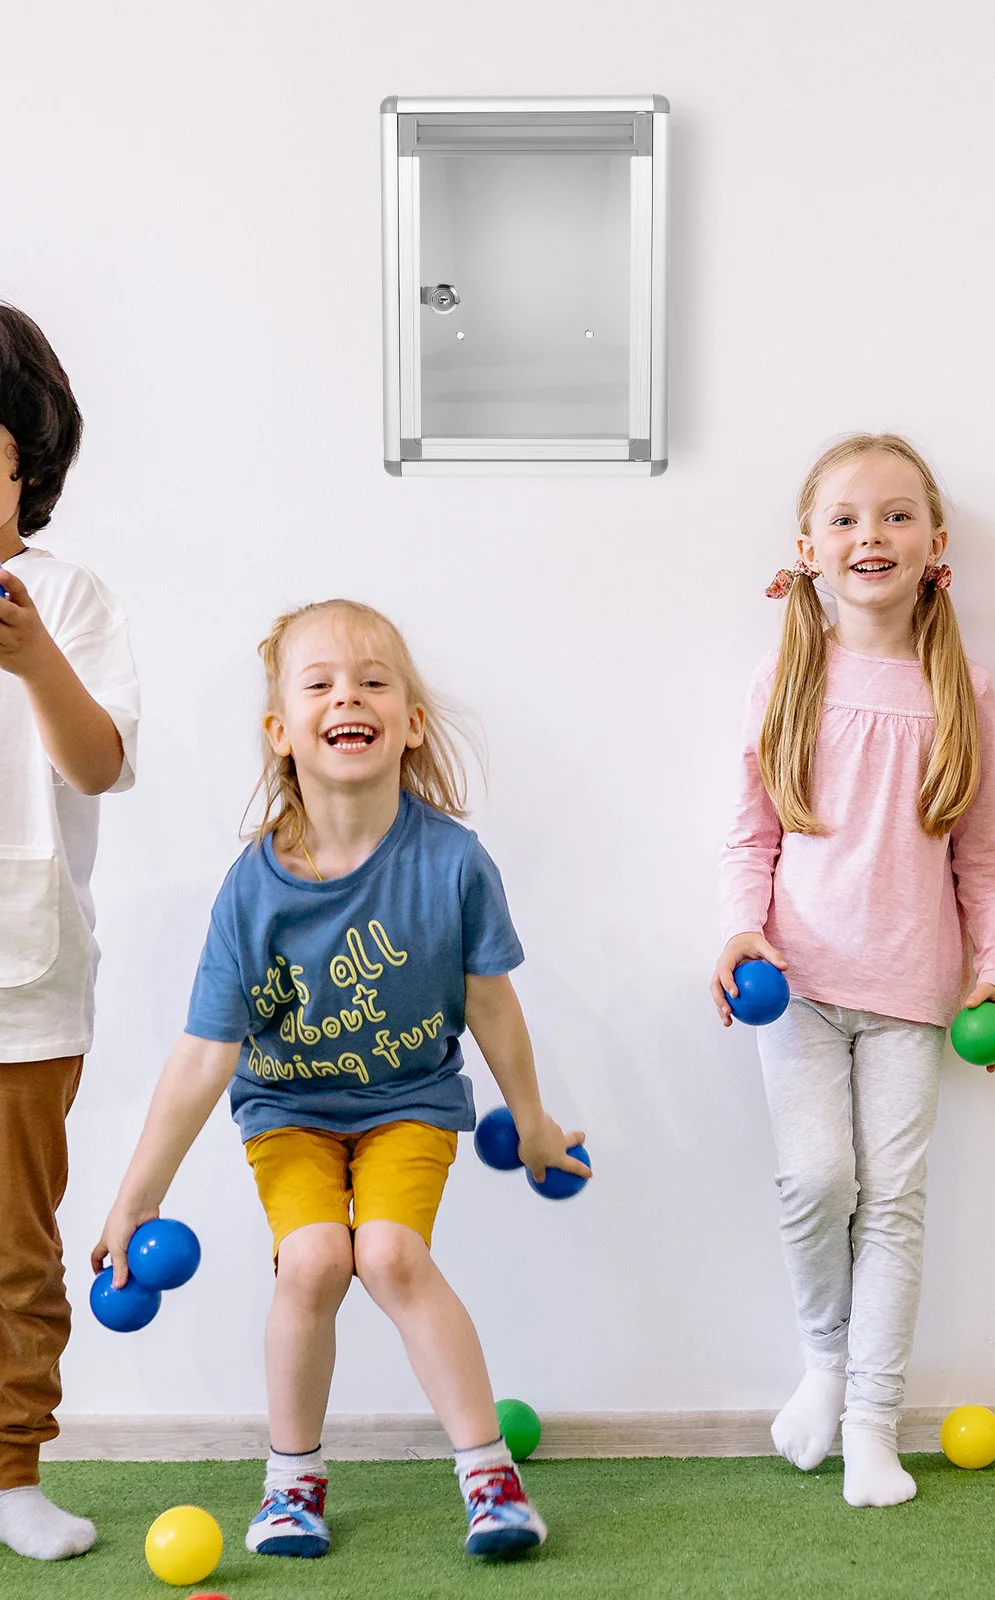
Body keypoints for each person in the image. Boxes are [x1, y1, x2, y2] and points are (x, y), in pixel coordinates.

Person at [93, 599, 587, 1560]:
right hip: (289, 1111)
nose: (347, 695)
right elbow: (205, 1054)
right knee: (316, 1260)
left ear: (409, 723)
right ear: (282, 733)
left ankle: (491, 1480)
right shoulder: (253, 886)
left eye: (372, 680)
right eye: (319, 683)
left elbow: (493, 1007)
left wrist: (532, 1121)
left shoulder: (452, 863)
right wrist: (133, 1196)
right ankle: (291, 1487)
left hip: (410, 1102)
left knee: (392, 1257)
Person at [714, 433, 995, 1508]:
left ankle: (870, 1424)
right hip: (793, 983)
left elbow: (981, 854)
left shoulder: (963, 688)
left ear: (936, 545)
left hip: (910, 991)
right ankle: (825, 1363)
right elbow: (749, 836)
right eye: (844, 518)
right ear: (807, 548)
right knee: (816, 1181)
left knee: (893, 1199)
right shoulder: (785, 674)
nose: (869, 535)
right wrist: (738, 934)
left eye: (895, 515)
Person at [0, 304, 139, 1563]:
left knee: (13, 1251)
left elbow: (98, 763)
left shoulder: (64, 597)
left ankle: (8, 1475)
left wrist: (36, 655)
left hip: (22, 982)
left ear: (20, 462)